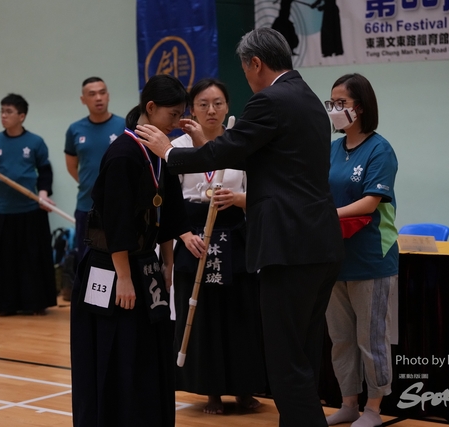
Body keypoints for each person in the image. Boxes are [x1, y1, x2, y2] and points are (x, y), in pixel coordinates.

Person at [136, 28, 344, 427]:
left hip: (289, 248)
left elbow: (232, 149)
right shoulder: (308, 99)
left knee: (285, 361)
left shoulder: (270, 100)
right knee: (302, 355)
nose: (247, 78)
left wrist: (170, 152)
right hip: (320, 245)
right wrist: (204, 145)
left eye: (245, 70)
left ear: (256, 63)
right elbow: (259, 158)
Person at [70, 74, 196, 427]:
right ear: (150, 108)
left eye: (180, 115)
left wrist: (167, 263)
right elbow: (116, 223)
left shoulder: (160, 152)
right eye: (172, 115)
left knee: (148, 351)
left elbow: (167, 211)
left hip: (145, 264)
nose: (176, 123)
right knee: (115, 352)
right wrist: (123, 278)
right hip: (111, 268)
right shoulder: (124, 154)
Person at [171, 78, 266, 414]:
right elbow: (169, 202)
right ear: (191, 109)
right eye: (203, 104)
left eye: (218, 103)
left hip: (234, 236)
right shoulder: (178, 147)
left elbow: (261, 195)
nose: (211, 110)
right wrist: (184, 235)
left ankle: (243, 388)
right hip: (194, 239)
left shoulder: (239, 143)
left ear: (227, 107)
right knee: (203, 317)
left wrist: (238, 199)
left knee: (240, 314)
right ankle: (211, 391)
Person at [323, 73, 398, 427]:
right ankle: (349, 403)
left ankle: (374, 408)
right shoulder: (333, 149)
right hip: (334, 257)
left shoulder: (380, 150)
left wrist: (326, 215)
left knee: (372, 338)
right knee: (341, 337)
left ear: (361, 107)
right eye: (331, 103)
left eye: (342, 103)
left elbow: (370, 202)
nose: (335, 109)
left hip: (371, 259)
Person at [0, 93, 58, 316]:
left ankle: (35, 303)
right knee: (5, 261)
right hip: (3, 209)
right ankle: (5, 305)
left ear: (21, 116)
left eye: (9, 112)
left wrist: (43, 194)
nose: (3, 116)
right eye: (2, 111)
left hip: (31, 209)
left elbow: (45, 171)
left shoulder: (35, 142)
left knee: (32, 260)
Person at [64, 77, 125, 255]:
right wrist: (92, 184)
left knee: (119, 259)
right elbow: (72, 166)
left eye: (102, 93)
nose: (98, 98)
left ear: (108, 96)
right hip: (86, 206)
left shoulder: (123, 126)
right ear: (83, 99)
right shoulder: (75, 129)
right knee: (86, 260)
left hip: (119, 206)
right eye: (92, 94)